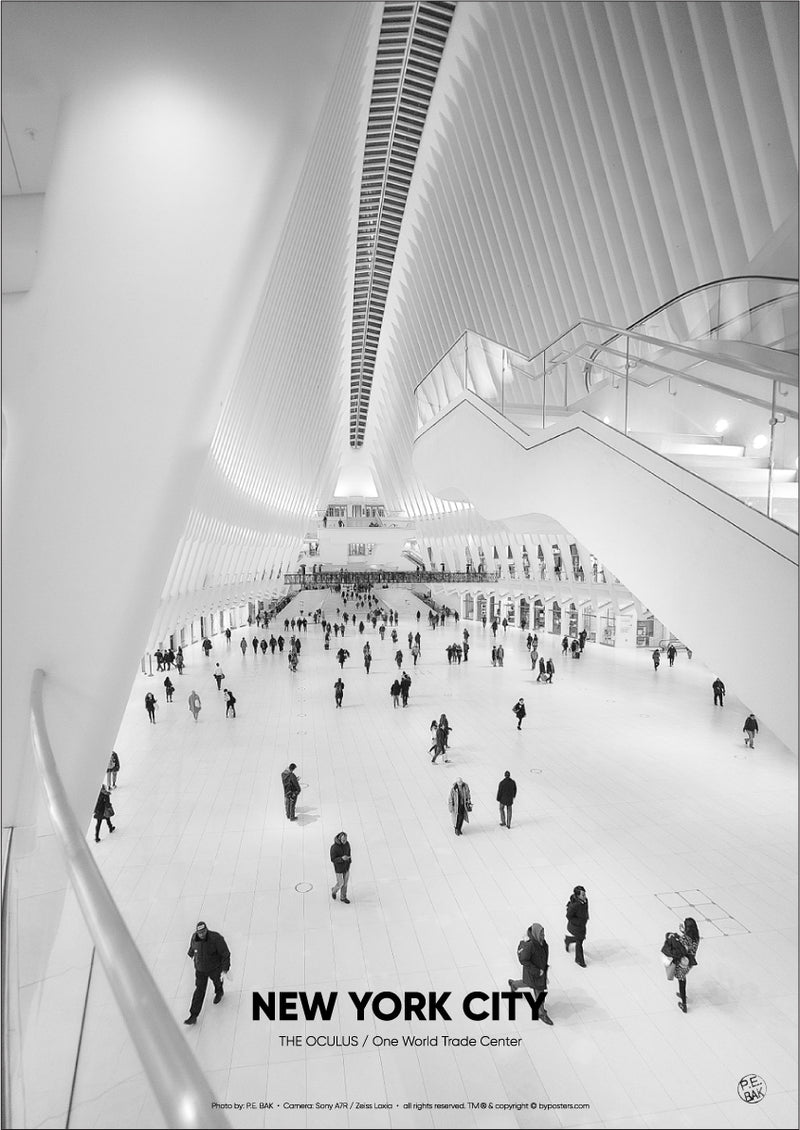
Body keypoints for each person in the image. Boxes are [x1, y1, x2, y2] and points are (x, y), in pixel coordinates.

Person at [183, 921, 231, 1025]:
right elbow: (193, 947)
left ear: (206, 930)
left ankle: (219, 991)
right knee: (199, 991)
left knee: (217, 982)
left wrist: (225, 969)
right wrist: (191, 953)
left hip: (214, 968)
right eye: (200, 933)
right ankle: (193, 1015)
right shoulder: (194, 937)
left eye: (204, 932)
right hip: (200, 970)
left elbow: (225, 954)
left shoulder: (216, 939)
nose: (202, 934)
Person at [508, 923, 552, 1024]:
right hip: (535, 973)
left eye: (543, 933)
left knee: (527, 983)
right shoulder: (530, 945)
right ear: (536, 933)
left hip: (539, 972)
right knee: (539, 992)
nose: (543, 935)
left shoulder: (541, 942)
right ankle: (541, 1014)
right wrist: (537, 971)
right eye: (541, 933)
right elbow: (524, 960)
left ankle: (514, 984)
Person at [662, 918, 700, 1013]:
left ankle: (683, 1003)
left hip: (682, 963)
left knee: (681, 980)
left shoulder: (685, 939)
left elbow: (679, 947)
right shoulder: (696, 937)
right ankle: (683, 996)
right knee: (683, 978)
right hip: (689, 962)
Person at [564, 886, 589, 967]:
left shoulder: (585, 901)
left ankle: (568, 940)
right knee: (579, 942)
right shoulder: (574, 905)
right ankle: (579, 960)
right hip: (576, 927)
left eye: (584, 894)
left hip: (582, 925)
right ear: (578, 896)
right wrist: (578, 922)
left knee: (580, 939)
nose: (585, 896)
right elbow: (568, 916)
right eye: (583, 895)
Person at [330, 832, 351, 903]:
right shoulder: (334, 847)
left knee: (345, 884)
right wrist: (342, 858)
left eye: (346, 839)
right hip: (339, 868)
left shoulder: (347, 844)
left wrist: (349, 861)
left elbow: (349, 853)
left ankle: (343, 897)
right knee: (340, 883)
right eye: (343, 840)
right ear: (339, 839)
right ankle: (334, 891)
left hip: (346, 867)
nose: (345, 841)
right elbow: (333, 859)